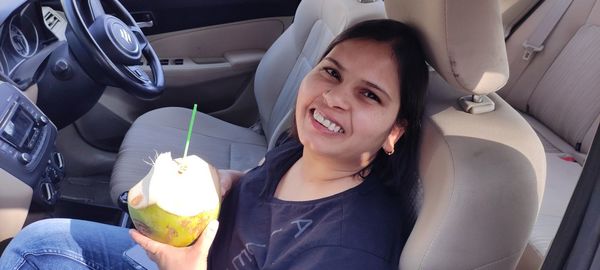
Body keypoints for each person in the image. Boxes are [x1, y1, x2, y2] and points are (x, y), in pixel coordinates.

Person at [0, 19, 428, 270]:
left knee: (34, 252)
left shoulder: (343, 249)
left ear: (395, 131)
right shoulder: (306, 151)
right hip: (188, 247)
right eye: (332, 72)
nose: (334, 97)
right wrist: (223, 179)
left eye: (369, 94)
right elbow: (265, 186)